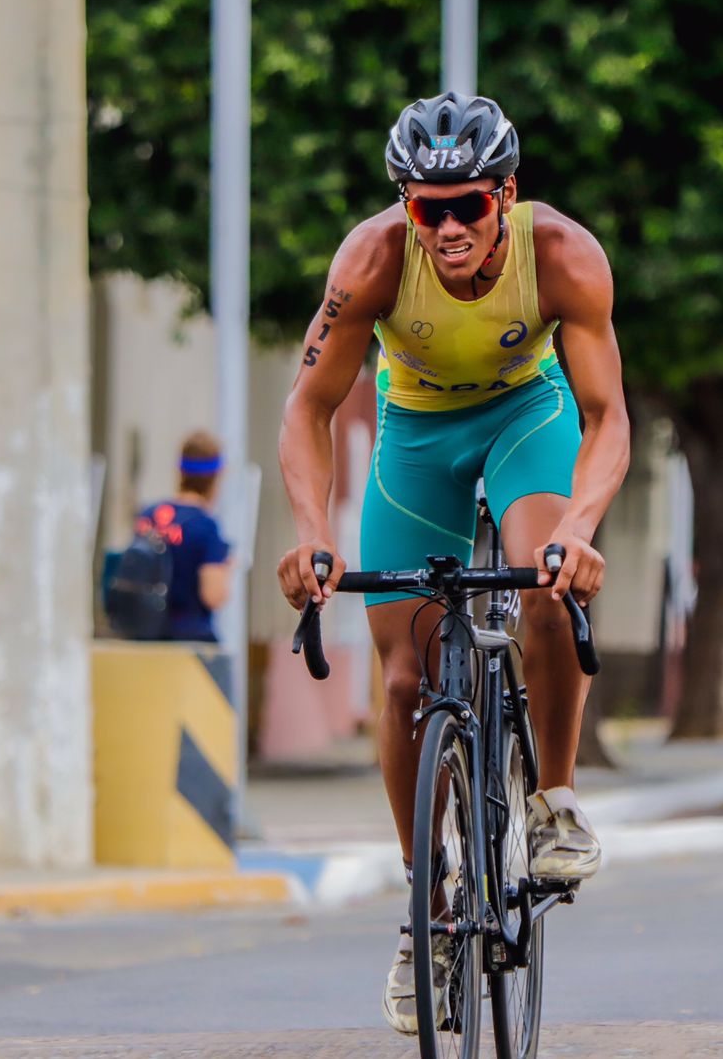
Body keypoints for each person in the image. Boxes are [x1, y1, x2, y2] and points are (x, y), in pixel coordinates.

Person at [274, 92, 630, 1034]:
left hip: (527, 417)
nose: (450, 226)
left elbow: (607, 418)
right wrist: (312, 530)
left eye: (469, 204)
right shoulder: (371, 262)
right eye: (427, 208)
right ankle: (424, 908)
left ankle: (552, 800)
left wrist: (582, 527)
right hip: (417, 439)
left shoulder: (563, 255)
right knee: (403, 680)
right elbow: (307, 411)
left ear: (506, 196)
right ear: (405, 208)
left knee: (542, 579)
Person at [135, 431, 233, 642]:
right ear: (216, 478)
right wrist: (227, 569)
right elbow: (213, 596)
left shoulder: (148, 515)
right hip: (188, 640)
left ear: (180, 472)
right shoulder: (206, 526)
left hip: (143, 635)